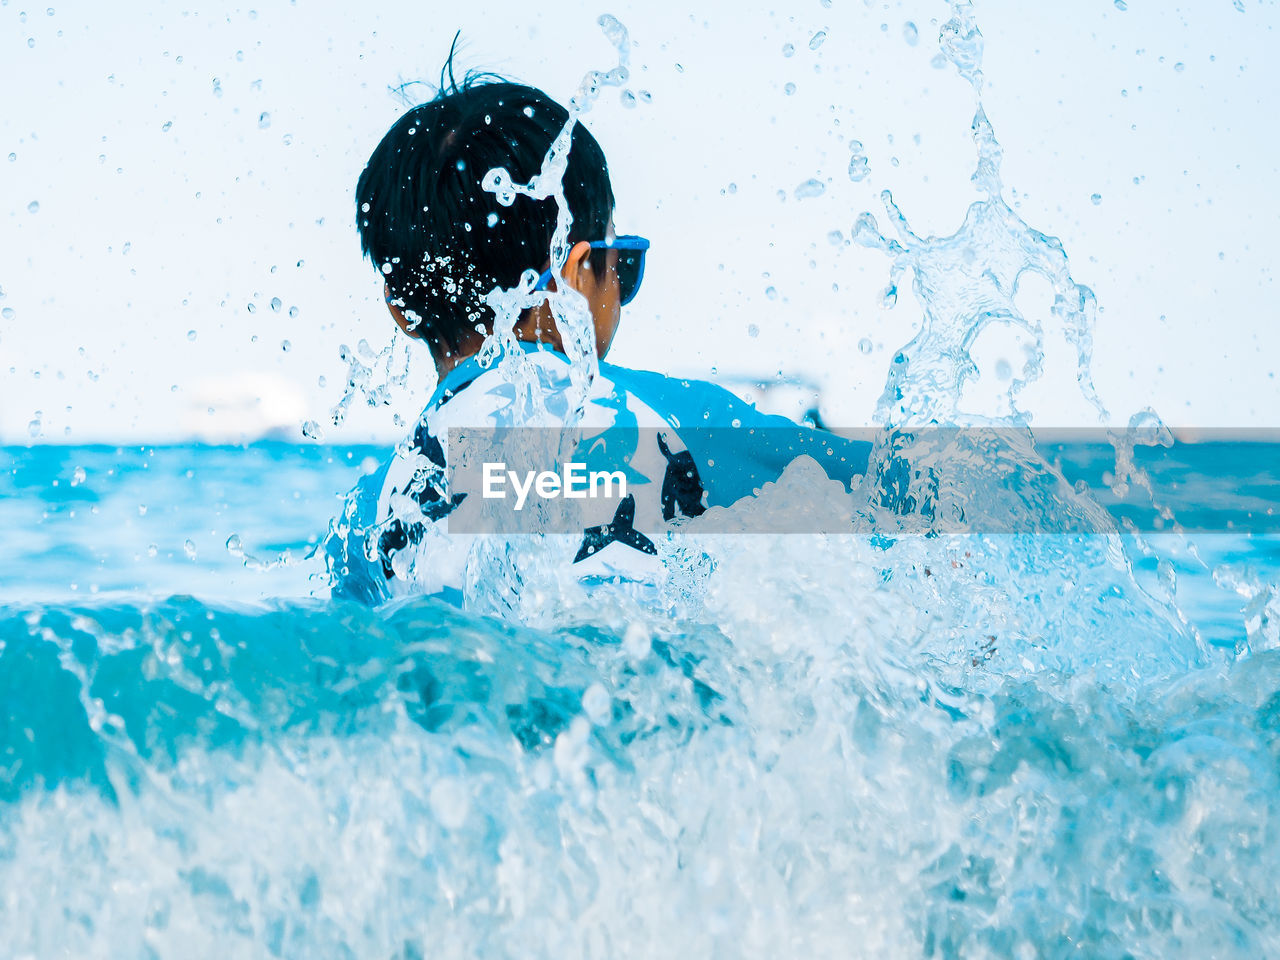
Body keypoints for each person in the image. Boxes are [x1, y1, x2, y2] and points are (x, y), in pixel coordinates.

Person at [326, 61, 871, 606]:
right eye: (621, 263)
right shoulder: (672, 419)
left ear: (402, 309)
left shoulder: (370, 512)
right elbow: (910, 496)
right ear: (575, 274)